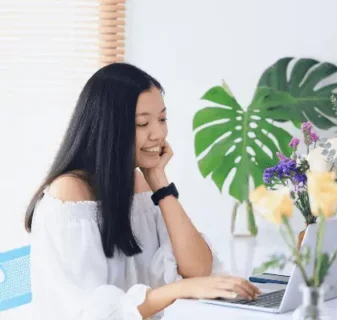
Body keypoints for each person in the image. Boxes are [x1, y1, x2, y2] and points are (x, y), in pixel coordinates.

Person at [25, 63, 259, 319]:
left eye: (162, 119)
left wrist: (160, 183)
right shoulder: (69, 195)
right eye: (142, 123)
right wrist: (178, 289)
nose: (158, 134)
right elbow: (92, 313)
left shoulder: (141, 184)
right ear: (109, 127)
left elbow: (199, 271)